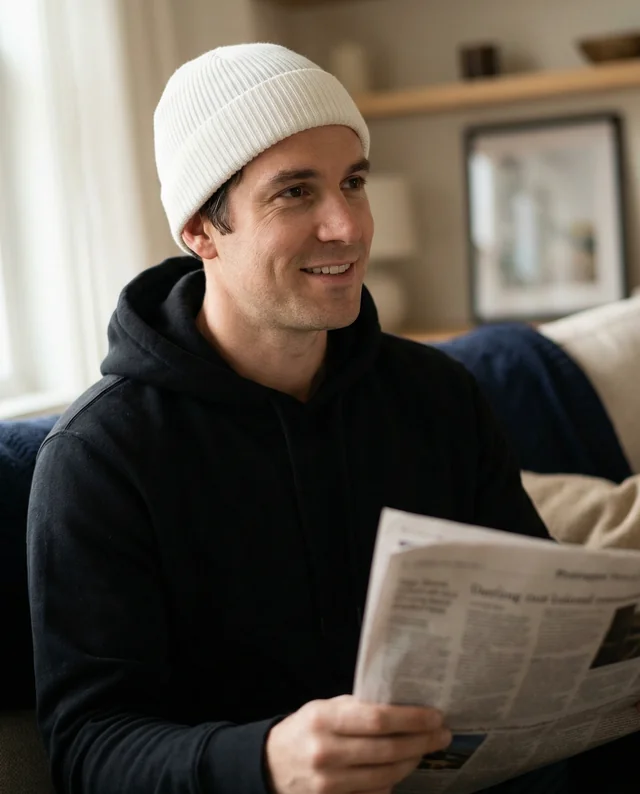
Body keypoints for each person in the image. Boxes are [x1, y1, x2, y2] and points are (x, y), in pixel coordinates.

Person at [29, 43, 578, 794]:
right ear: (200, 230)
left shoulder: (439, 395)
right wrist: (264, 761)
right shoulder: (100, 455)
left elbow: (544, 629)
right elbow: (88, 747)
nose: (346, 226)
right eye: (295, 193)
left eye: (354, 182)